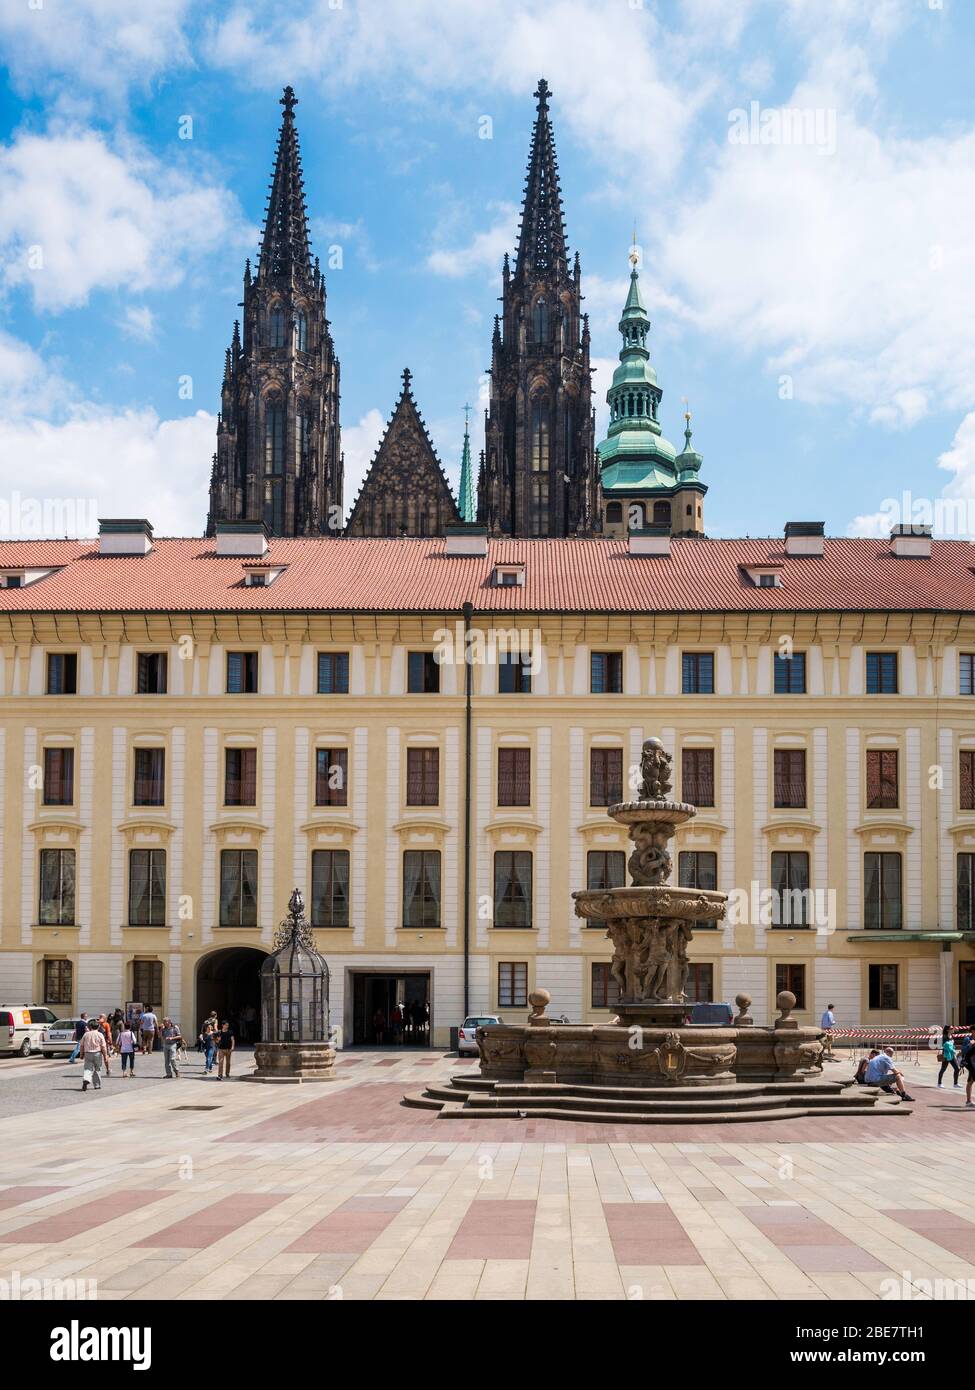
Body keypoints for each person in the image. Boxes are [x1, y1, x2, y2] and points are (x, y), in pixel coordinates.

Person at [79, 1020, 110, 1091]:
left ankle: (86, 1079)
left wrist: (81, 1054)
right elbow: (103, 1046)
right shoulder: (100, 1034)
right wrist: (105, 1056)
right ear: (98, 1027)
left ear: (90, 1027)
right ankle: (97, 1085)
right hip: (97, 1053)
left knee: (87, 1068)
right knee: (97, 1069)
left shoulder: (86, 1034)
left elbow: (82, 1045)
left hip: (87, 1053)